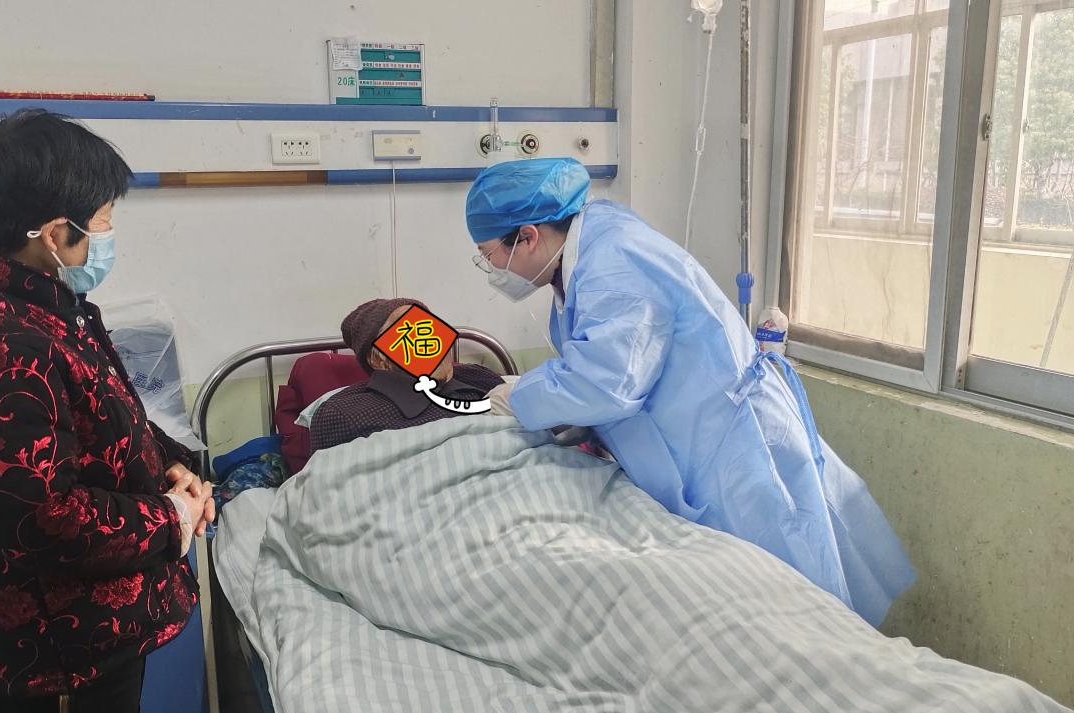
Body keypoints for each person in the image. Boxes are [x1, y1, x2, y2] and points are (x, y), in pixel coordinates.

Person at [465, 157, 915, 626]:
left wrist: (519, 395)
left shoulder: (614, 264)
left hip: (736, 450)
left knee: (788, 602)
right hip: (705, 438)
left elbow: (605, 383)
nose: (491, 268)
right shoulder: (591, 249)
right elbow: (617, 364)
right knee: (752, 607)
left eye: (487, 253)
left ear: (528, 237)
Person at [0, 109, 214, 713]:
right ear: (53, 234)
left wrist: (170, 464)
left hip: (88, 630)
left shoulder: (36, 305)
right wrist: (171, 518)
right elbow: (43, 519)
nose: (109, 232)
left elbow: (97, 412)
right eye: (103, 219)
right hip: (52, 651)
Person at [309, 298, 507, 452]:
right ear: (378, 360)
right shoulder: (343, 414)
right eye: (410, 335)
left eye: (431, 329)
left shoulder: (477, 376)